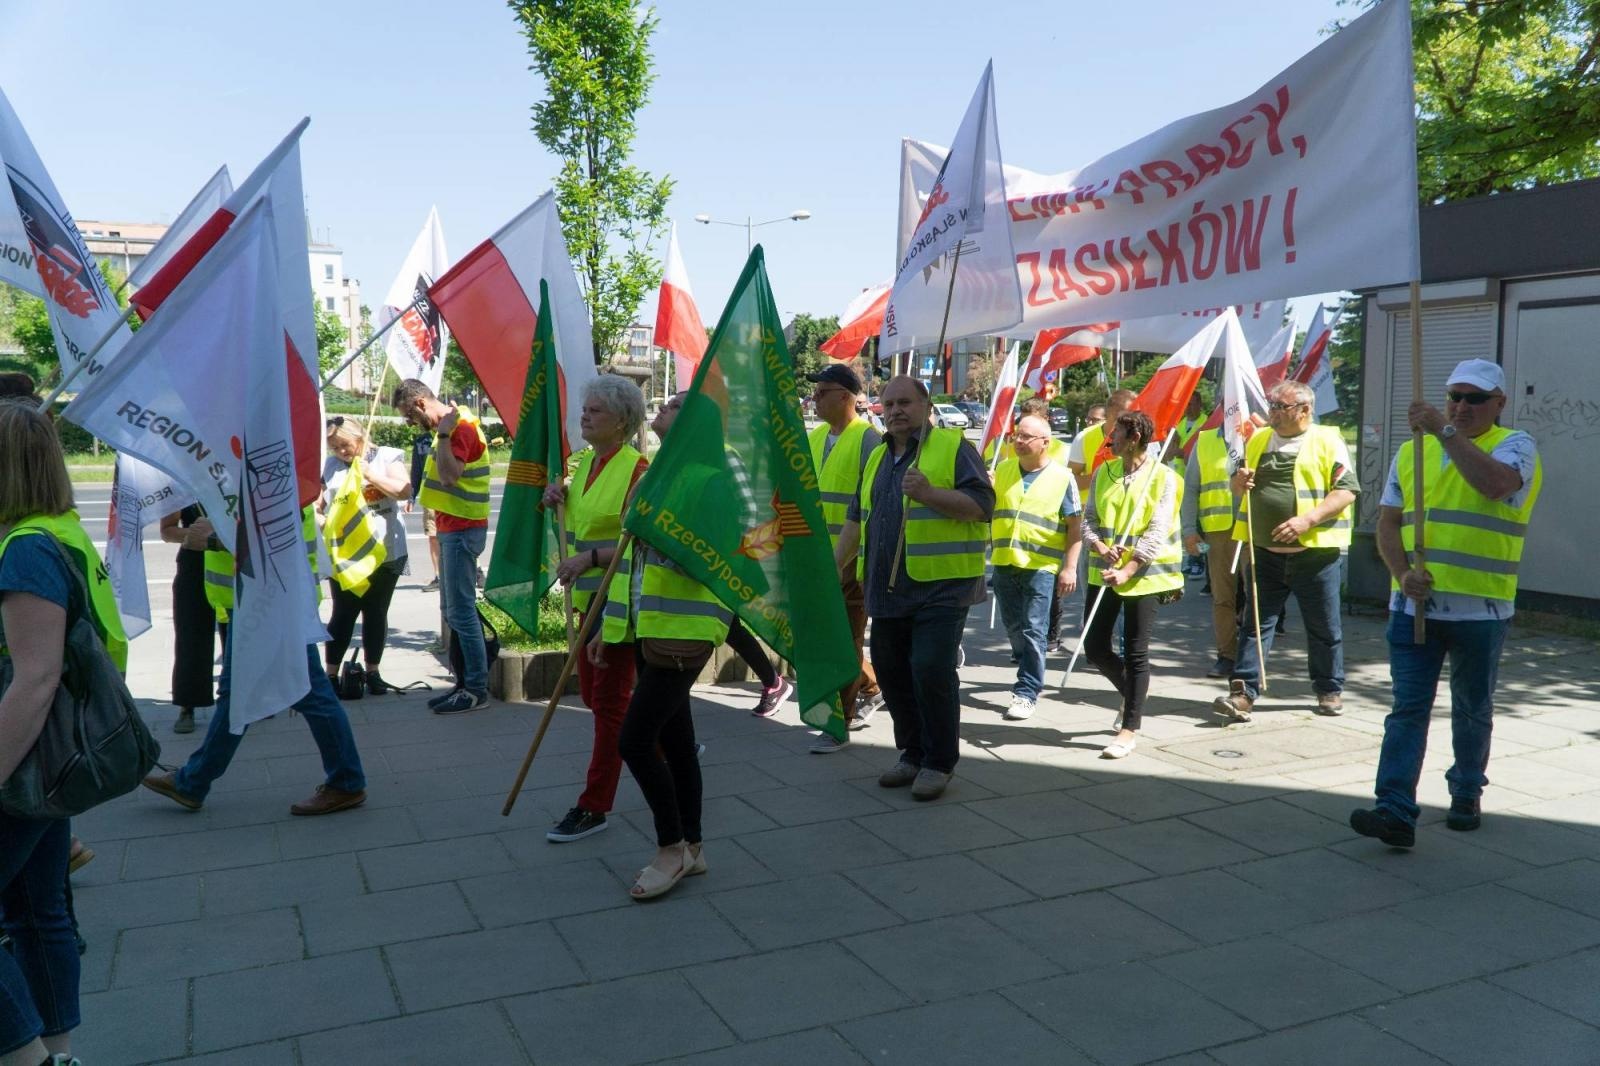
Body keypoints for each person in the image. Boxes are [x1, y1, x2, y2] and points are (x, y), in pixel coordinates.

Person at [1351, 359, 1542, 848]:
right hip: (1415, 606)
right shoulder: (1412, 452)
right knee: (1407, 709)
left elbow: (1496, 486)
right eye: (1455, 396)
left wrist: (1444, 431)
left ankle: (1465, 789)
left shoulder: (1515, 445)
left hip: (1481, 610)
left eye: (1475, 398)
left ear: (1499, 403)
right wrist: (1401, 575)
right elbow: (1389, 523)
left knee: (1471, 708)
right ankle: (1394, 809)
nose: (1461, 406)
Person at [142, 506, 369, 818]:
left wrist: (216, 536)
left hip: (268, 603)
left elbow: (271, 535)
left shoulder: (262, 466)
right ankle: (193, 782)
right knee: (255, 694)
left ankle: (194, 782)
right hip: (263, 601)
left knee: (284, 693)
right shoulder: (257, 469)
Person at [0, 400, 105, 1066]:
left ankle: (30, 1056)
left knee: (36, 913)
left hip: (27, 760)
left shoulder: (24, 549)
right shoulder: (53, 530)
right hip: (55, 759)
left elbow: (34, 681)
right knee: (39, 911)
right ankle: (58, 1052)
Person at [834, 376, 994, 801]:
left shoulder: (954, 448)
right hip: (886, 589)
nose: (896, 410)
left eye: (905, 402)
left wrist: (929, 493)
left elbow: (983, 507)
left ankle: (939, 762)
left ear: (926, 405)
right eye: (889, 404)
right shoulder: (877, 457)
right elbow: (857, 516)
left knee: (929, 669)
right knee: (892, 673)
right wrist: (836, 568)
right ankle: (911, 753)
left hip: (942, 587)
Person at [586, 449, 733, 902]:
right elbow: (627, 566)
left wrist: (659, 536)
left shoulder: (712, 479)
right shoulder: (656, 476)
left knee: (634, 740)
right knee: (676, 742)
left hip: (683, 634)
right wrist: (610, 628)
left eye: (672, 406)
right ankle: (692, 846)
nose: (662, 409)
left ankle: (670, 848)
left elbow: (713, 557)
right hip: (649, 629)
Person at [541, 376, 649, 844]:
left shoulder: (638, 469)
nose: (584, 416)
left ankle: (594, 805)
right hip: (587, 600)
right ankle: (665, 744)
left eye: (596, 411)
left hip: (619, 604)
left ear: (622, 421)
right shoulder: (585, 464)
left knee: (606, 705)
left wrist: (591, 558)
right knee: (593, 698)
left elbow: (640, 541)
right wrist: (556, 500)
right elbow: (580, 525)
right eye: (585, 409)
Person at [1212, 380, 1358, 722]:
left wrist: (1307, 520)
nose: (1273, 413)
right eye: (1272, 405)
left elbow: (1347, 491)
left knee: (1323, 626)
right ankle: (1244, 693)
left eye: (1282, 407)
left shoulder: (1326, 440)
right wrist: (1238, 482)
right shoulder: (1259, 438)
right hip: (1263, 551)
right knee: (1254, 624)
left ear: (1305, 410)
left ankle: (1328, 688)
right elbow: (1238, 486)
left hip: (1314, 554)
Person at [1079, 410, 1183, 759]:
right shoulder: (1103, 473)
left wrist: (1130, 568)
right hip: (1103, 572)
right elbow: (1089, 519)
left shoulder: (1163, 477)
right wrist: (1100, 546)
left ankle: (1129, 728)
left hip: (1145, 577)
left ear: (1134, 437)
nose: (1110, 440)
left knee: (1136, 650)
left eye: (1116, 434)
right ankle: (1133, 692)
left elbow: (1158, 530)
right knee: (1094, 646)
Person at [391, 379, 493, 714]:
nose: (410, 423)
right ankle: (464, 684)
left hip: (462, 528)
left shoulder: (457, 428)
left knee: (461, 613)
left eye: (409, 415)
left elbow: (450, 477)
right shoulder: (449, 427)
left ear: (420, 403)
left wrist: (446, 435)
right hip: (454, 527)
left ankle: (475, 689)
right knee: (453, 612)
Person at [804, 364, 885, 754]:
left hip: (850, 563)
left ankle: (840, 721)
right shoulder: (818, 436)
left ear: (846, 397)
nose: (814, 399)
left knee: (843, 640)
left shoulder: (869, 440)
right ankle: (871, 686)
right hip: (818, 561)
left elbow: (870, 507)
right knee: (832, 638)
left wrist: (847, 562)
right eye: (815, 393)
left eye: (822, 392)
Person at [990, 413, 1082, 721]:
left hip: (1041, 567)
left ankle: (1026, 691)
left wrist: (1070, 567)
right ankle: (1028, 659)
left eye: (1026, 437)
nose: (1018, 441)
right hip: (1004, 563)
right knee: (1015, 628)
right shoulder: (1002, 471)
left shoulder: (1061, 477)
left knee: (1033, 629)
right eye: (1017, 435)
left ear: (1046, 443)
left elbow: (1075, 527)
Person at [320, 417, 411, 694]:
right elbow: (319, 503)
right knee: (343, 613)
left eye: (345, 445)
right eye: (335, 448)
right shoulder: (331, 466)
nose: (342, 452)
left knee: (376, 611)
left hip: (385, 549)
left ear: (360, 437)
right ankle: (331, 675)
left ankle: (373, 672)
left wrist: (372, 475)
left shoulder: (386, 457)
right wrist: (321, 518)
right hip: (347, 554)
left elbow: (404, 490)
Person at [1182, 424, 1242, 677]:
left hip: (1254, 531)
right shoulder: (1205, 441)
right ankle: (1226, 656)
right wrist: (1189, 531)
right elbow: (1191, 489)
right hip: (1217, 534)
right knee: (1223, 598)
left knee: (1257, 598)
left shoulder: (1263, 434)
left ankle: (1251, 656)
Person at [159, 505, 223, 734]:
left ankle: (242, 698)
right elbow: (166, 531)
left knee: (239, 636)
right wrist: (197, 535)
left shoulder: (233, 475)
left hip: (230, 562)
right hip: (194, 562)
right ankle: (188, 705)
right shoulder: (182, 481)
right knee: (190, 634)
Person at [1069, 389, 1136, 495]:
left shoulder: (1140, 437)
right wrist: (1101, 478)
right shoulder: (1084, 438)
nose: (1131, 417)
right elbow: (1069, 481)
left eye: (1134, 411)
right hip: (1091, 509)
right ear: (1109, 411)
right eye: (1126, 411)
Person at [408, 429, 441, 591]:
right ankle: (439, 576)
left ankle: (475, 571)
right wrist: (411, 496)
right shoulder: (421, 442)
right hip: (430, 496)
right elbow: (416, 470)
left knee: (461, 533)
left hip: (454, 494)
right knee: (433, 535)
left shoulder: (451, 431)